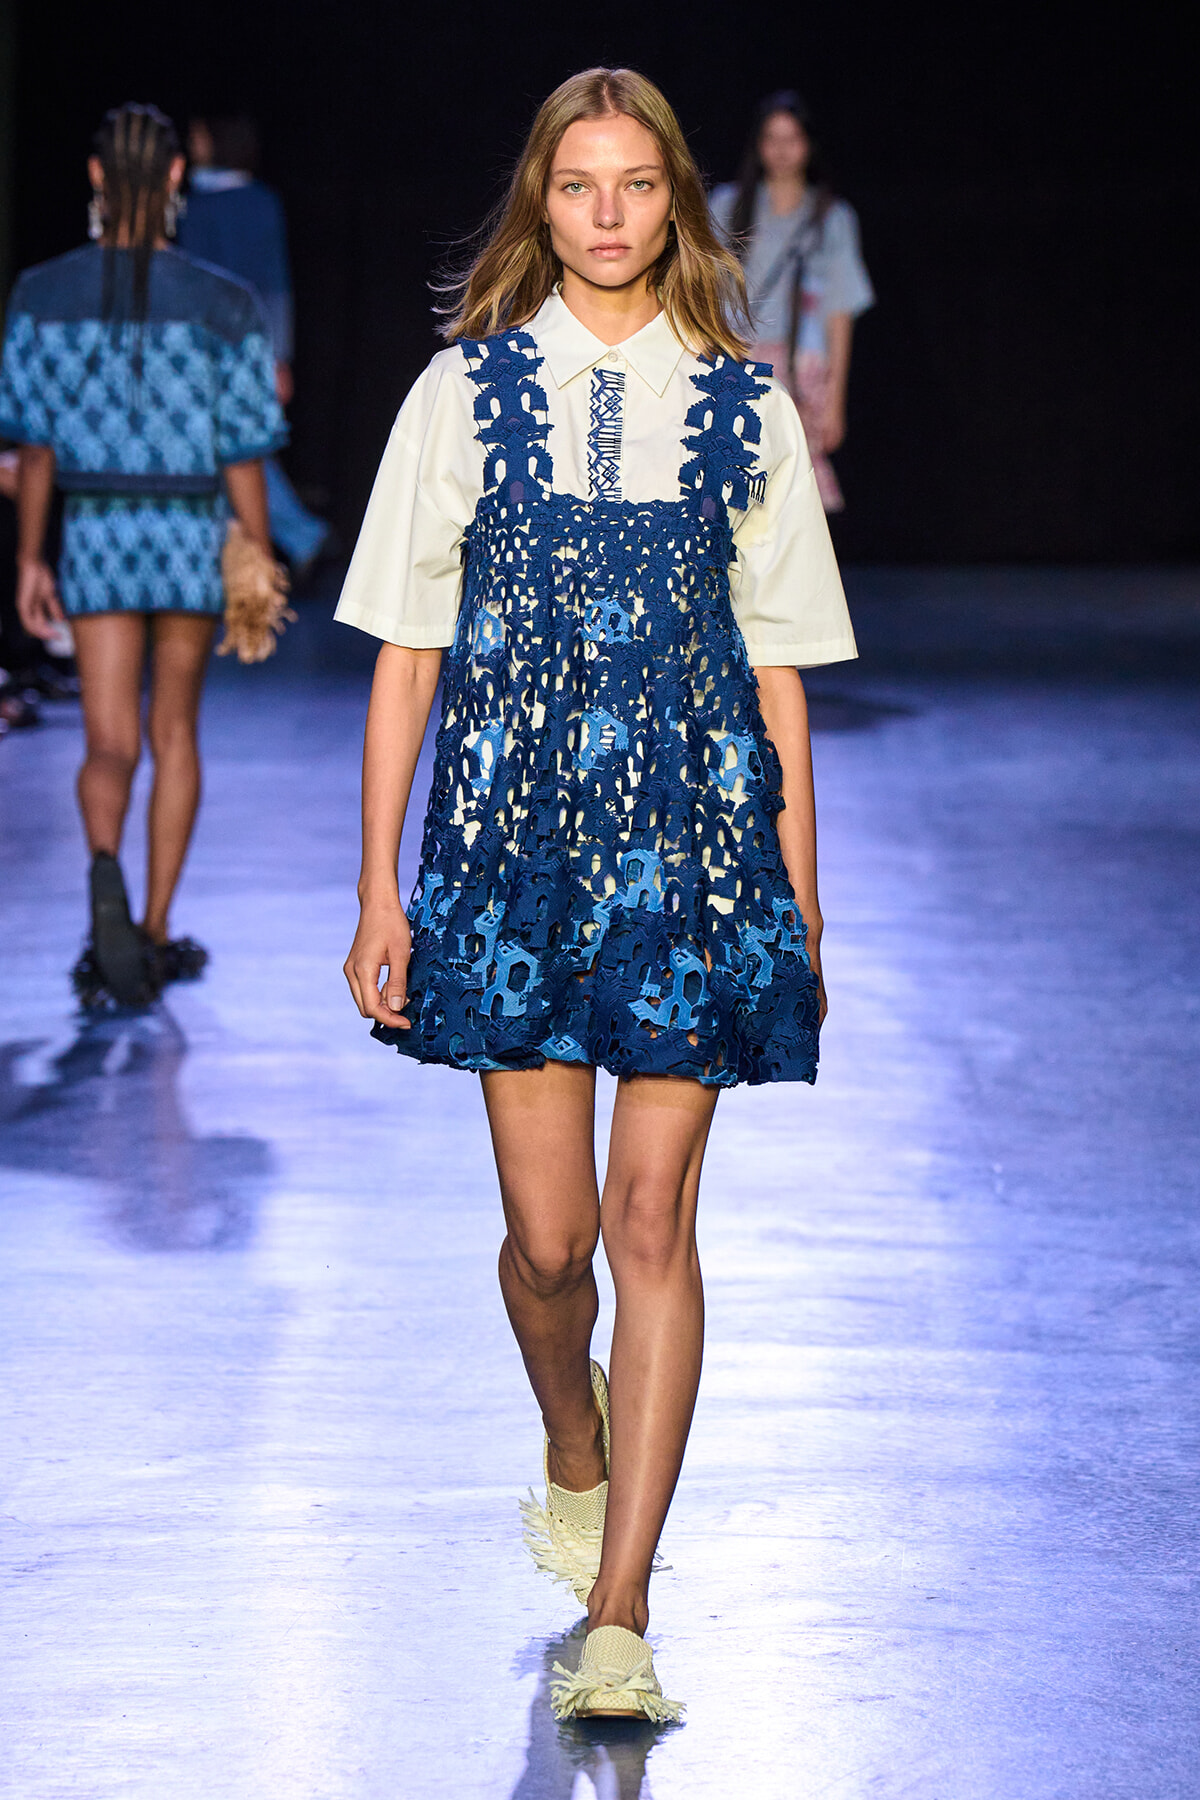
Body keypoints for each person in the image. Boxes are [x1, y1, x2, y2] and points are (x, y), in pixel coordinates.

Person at [337, 67, 857, 1722]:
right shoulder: (462, 394)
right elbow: (406, 657)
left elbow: (780, 671)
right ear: (541, 203)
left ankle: (622, 1613)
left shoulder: (745, 407)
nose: (610, 213)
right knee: (552, 1248)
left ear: (675, 202)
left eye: (638, 184)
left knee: (652, 1224)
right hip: (512, 859)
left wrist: (802, 903)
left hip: (695, 859)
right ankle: (576, 1436)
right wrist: (380, 891)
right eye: (580, 186)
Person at [0, 103, 285, 1005]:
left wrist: (31, 558)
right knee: (174, 735)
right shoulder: (221, 301)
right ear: (174, 178)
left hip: (96, 529)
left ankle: (103, 882)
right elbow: (244, 448)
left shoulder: (41, 294)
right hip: (190, 531)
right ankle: (153, 931)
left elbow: (34, 446)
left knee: (108, 740)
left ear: (94, 176)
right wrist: (258, 552)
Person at [178, 115, 332, 579]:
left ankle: (300, 538)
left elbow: (273, 287)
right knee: (228, 449)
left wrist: (278, 358)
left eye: (198, 136)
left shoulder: (231, 204)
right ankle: (292, 542)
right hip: (214, 348)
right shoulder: (202, 203)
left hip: (226, 349)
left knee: (236, 449)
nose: (192, 144)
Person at [710, 91, 874, 512]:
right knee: (734, 490)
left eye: (792, 138)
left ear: (809, 144)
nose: (781, 150)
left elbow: (840, 311)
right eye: (771, 138)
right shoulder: (727, 207)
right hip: (737, 362)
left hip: (803, 371)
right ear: (758, 144)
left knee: (795, 494)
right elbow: (701, 292)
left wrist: (836, 402)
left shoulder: (832, 217)